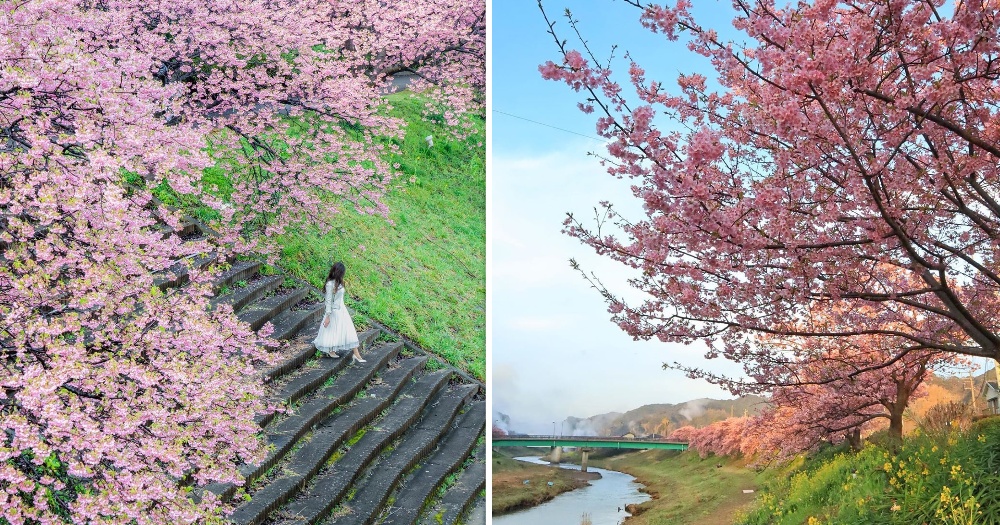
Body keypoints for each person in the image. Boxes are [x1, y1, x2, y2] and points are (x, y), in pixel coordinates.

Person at [313, 262, 365, 362]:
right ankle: (332, 350)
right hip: (335, 311)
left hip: (342, 310)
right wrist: (328, 315)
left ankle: (356, 354)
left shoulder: (339, 282)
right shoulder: (330, 284)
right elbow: (328, 300)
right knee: (333, 330)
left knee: (349, 330)